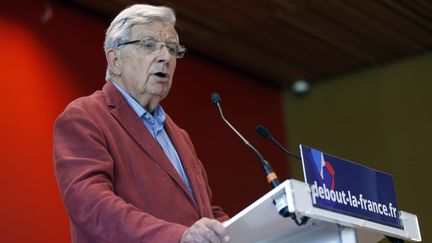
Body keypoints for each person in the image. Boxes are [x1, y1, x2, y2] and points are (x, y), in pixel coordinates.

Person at [53, 4, 230, 243]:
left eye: (172, 48)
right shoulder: (85, 117)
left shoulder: (180, 136)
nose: (165, 57)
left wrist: (251, 228)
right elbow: (92, 206)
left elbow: (204, 212)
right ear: (115, 60)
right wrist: (177, 236)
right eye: (148, 45)